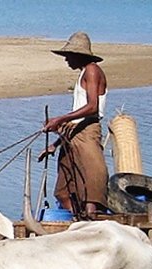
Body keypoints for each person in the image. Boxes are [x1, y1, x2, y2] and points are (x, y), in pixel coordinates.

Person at [40, 31, 109, 219]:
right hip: (73, 132)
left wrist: (60, 119)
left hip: (88, 130)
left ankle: (90, 219)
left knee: (92, 183)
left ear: (78, 55)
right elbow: (78, 114)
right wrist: (54, 145)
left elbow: (92, 107)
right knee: (63, 191)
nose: (66, 60)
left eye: (68, 56)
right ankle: (77, 219)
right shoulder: (82, 74)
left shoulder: (92, 70)